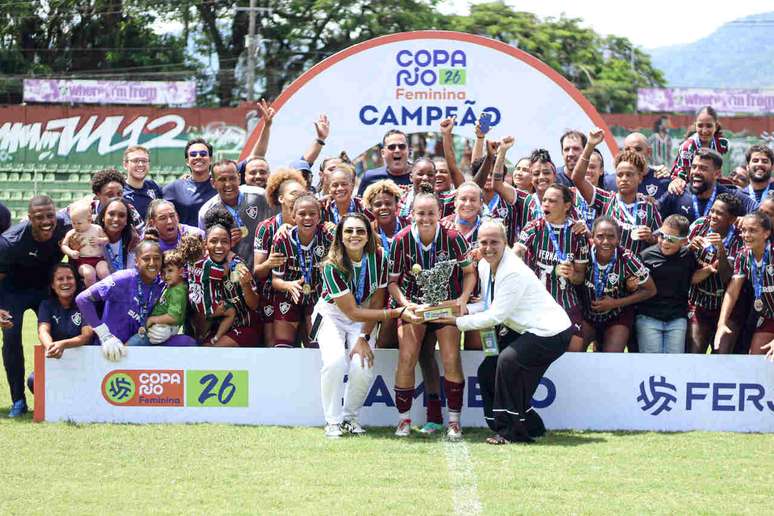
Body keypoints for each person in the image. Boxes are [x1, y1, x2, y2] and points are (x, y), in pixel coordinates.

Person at [437, 220, 572, 444]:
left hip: (551, 332)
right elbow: (489, 304)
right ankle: (526, 425)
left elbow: (496, 316)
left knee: (507, 362)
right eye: (483, 242)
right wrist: (461, 308)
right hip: (529, 329)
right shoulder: (483, 265)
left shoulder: (512, 272)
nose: (488, 247)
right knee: (488, 370)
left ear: (506, 243)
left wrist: (456, 322)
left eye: (494, 242)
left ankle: (511, 432)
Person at [315, 213, 420, 437]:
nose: (355, 235)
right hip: (332, 313)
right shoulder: (330, 265)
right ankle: (332, 421)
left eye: (360, 231)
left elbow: (377, 299)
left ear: (368, 234)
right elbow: (350, 310)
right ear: (340, 237)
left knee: (361, 366)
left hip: (365, 314)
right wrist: (397, 313)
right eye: (349, 231)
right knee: (334, 362)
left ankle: (349, 419)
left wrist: (363, 337)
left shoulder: (380, 256)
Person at [388, 187, 476, 439]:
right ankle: (404, 420)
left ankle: (454, 421)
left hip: (444, 307)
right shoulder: (401, 240)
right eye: (420, 213)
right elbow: (393, 282)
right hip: (415, 307)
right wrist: (405, 304)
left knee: (450, 358)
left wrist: (462, 299)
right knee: (407, 357)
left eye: (430, 213)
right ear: (411, 214)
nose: (425, 218)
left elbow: (470, 273)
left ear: (440, 213)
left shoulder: (453, 237)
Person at [76, 233, 195, 361]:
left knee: (187, 342)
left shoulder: (162, 285)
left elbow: (176, 310)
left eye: (157, 258)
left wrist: (171, 329)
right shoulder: (122, 278)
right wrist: (105, 336)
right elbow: (82, 299)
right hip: (112, 350)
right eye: (146, 258)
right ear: (136, 261)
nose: (152, 263)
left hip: (141, 349)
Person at [0, 196, 69, 416]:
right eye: (39, 217)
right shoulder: (10, 241)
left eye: (50, 215)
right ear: (30, 218)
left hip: (44, 292)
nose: (47, 221)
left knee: (61, 332)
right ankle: (18, 400)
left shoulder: (64, 228)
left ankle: (62, 393)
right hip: (13, 293)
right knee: (11, 337)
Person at [515, 184, 589, 351]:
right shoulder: (533, 227)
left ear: (567, 206)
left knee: (575, 350)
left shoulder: (577, 234)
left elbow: (580, 277)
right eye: (544, 200)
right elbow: (518, 250)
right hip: (536, 305)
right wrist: (514, 255)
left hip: (567, 303)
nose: (546, 204)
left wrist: (571, 274)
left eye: (552, 201)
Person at [572, 129, 661, 255]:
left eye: (629, 174)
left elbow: (662, 241)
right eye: (620, 175)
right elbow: (577, 178)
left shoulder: (649, 206)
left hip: (635, 271)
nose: (624, 179)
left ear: (640, 177)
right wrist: (590, 145)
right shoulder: (606, 200)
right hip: (606, 269)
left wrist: (651, 238)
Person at [579, 217, 656, 352]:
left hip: (616, 315)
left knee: (611, 357)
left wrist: (615, 303)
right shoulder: (583, 252)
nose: (606, 241)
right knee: (574, 351)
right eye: (600, 236)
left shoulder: (627, 258)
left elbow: (650, 290)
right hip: (587, 314)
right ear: (592, 237)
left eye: (611, 237)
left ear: (619, 238)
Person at [188, 207, 261, 346]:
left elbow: (254, 304)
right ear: (205, 244)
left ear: (230, 244)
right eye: (213, 241)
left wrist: (246, 285)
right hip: (214, 331)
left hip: (244, 326)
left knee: (215, 349)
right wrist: (210, 313)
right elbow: (199, 324)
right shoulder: (199, 267)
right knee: (205, 349)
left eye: (224, 241)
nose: (219, 246)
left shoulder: (237, 265)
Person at [271, 195, 334, 348]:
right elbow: (275, 280)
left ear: (319, 217)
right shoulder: (282, 239)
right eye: (302, 214)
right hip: (289, 296)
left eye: (312, 214)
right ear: (293, 216)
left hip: (318, 297)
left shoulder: (329, 237)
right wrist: (288, 285)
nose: (307, 218)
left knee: (317, 345)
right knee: (282, 347)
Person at [254, 168, 308, 346]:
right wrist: (270, 263)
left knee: (311, 345)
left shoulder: (314, 224)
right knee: (276, 346)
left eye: (303, 194)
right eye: (294, 194)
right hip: (273, 293)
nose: (298, 198)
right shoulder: (266, 228)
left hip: (306, 291)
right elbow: (258, 272)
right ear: (280, 198)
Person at [686, 194, 745, 354]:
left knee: (722, 357)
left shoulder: (740, 238)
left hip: (727, 307)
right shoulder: (699, 226)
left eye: (719, 213)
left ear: (732, 219)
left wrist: (720, 250)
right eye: (712, 211)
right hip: (699, 302)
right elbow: (681, 261)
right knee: (694, 355)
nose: (712, 216)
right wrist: (689, 247)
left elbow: (727, 277)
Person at [26, 262, 94, 393]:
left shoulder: (85, 302)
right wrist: (51, 347)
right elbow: (43, 330)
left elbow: (86, 336)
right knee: (33, 380)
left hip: (84, 361)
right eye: (60, 279)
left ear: (76, 280)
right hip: (57, 359)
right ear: (52, 284)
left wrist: (63, 344)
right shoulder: (46, 305)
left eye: (69, 278)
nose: (65, 282)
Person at [126, 232, 202, 346]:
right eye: (163, 272)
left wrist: (152, 320)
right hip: (160, 327)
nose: (166, 276)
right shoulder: (170, 286)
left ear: (181, 271)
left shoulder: (178, 290)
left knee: (133, 344)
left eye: (170, 271)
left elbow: (173, 317)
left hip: (164, 327)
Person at [197, 159, 276, 270]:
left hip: (266, 272)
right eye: (222, 180)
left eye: (232, 178)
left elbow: (282, 220)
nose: (228, 184)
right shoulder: (206, 212)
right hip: (232, 276)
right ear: (213, 183)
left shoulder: (261, 196)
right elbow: (206, 250)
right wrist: (225, 242)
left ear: (239, 178)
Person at [636, 215, 699, 353]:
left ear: (683, 241)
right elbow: (638, 287)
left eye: (671, 239)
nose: (664, 241)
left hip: (677, 318)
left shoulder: (688, 256)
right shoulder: (646, 256)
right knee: (652, 363)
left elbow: (692, 278)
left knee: (674, 364)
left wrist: (709, 270)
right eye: (661, 235)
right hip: (649, 317)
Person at [715, 212, 774, 356]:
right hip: (767, 315)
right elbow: (732, 292)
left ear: (766, 234)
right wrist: (721, 323)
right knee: (758, 358)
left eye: (752, 230)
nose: (746, 235)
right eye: (743, 230)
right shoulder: (743, 256)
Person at [660, 148, 755, 224]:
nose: (696, 172)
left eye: (703, 168)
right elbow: (652, 214)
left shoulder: (730, 196)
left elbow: (760, 213)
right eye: (694, 167)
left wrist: (746, 220)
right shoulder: (677, 192)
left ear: (717, 174)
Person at [668, 106, 729, 195]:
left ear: (715, 126)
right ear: (695, 125)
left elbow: (717, 169)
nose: (704, 131)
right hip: (684, 184)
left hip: (708, 181)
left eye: (709, 126)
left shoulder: (722, 144)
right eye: (700, 126)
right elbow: (692, 178)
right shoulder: (687, 147)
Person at [66, 168, 145, 232]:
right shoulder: (87, 210)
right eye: (110, 195)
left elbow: (142, 235)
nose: (116, 198)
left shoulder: (130, 210)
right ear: (98, 195)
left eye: (120, 194)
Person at [162, 137, 217, 226]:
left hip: (215, 239)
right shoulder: (175, 188)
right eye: (193, 154)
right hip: (187, 239)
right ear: (187, 161)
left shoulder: (220, 185)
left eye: (203, 154)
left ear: (210, 160)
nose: (198, 157)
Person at [602, 132, 670, 201]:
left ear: (649, 152)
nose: (632, 152)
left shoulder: (664, 180)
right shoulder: (609, 182)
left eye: (638, 149)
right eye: (627, 149)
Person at [60, 202, 109, 286]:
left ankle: (109, 291)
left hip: (99, 259)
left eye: (79, 223)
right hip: (83, 261)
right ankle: (91, 293)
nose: (76, 226)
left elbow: (107, 239)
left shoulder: (97, 229)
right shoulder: (72, 232)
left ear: (89, 220)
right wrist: (71, 252)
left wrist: (99, 240)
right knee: (89, 274)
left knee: (103, 272)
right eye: (73, 223)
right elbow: (64, 245)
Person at [357, 129, 412, 196]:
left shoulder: (421, 176)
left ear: (409, 151)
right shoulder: (370, 177)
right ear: (383, 153)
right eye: (391, 147)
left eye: (401, 146)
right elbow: (360, 205)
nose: (397, 150)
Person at [97, 197, 139, 273]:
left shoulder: (133, 241)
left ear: (126, 221)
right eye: (111, 214)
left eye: (121, 215)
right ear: (103, 217)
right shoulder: (93, 237)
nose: (116, 219)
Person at [122, 145, 162, 220]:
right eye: (135, 161)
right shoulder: (120, 192)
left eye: (144, 161)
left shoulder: (153, 186)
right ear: (125, 164)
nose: (140, 164)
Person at [744, 144, 774, 208]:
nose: (760, 164)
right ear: (747, 167)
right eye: (755, 161)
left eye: (765, 161)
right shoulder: (739, 196)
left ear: (772, 167)